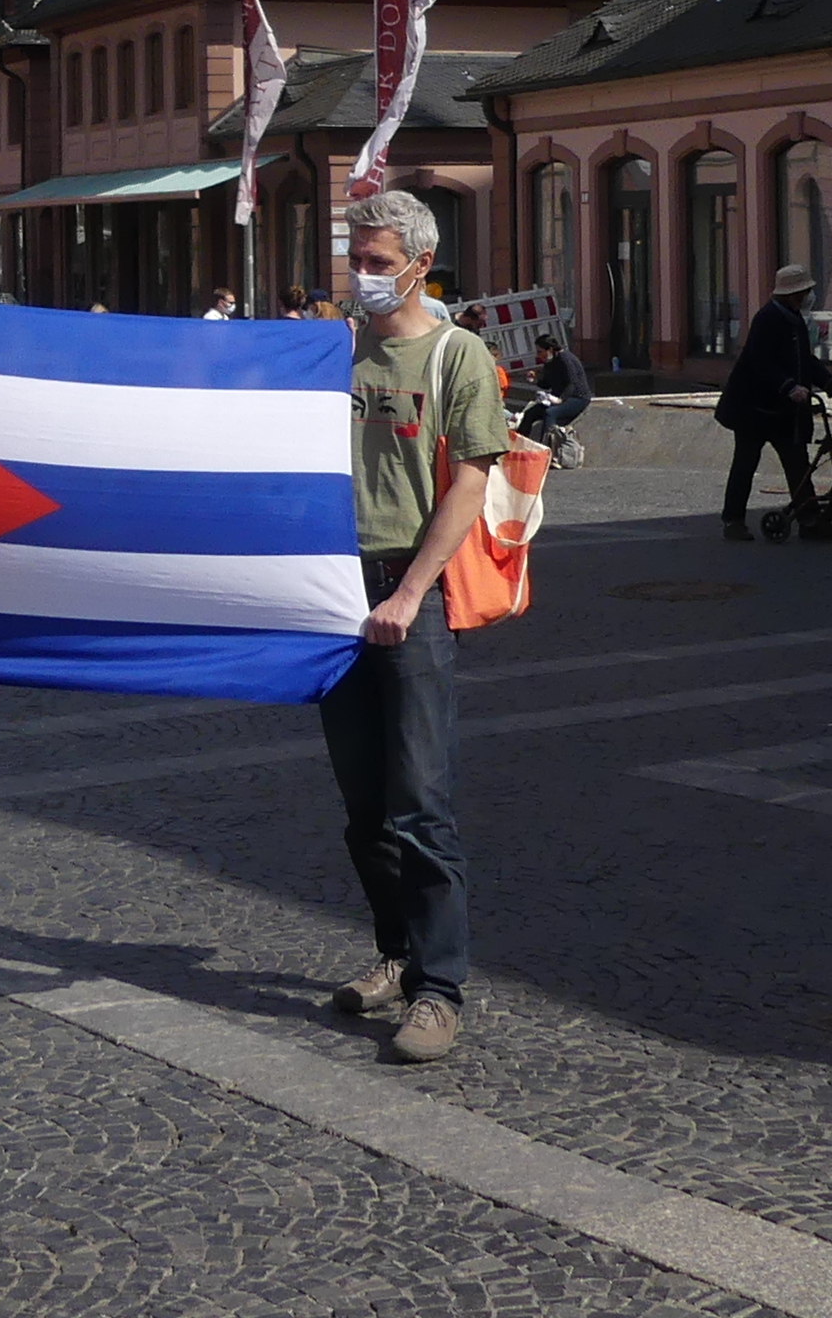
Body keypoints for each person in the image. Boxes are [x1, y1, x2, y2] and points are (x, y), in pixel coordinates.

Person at [320, 189, 504, 1065]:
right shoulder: (333, 351)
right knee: (363, 806)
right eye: (356, 259)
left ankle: (439, 989)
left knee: (420, 803)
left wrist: (406, 596)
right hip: (330, 595)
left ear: (421, 264)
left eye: (379, 262)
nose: (363, 276)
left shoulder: (457, 356)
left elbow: (469, 484)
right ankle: (394, 954)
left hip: (409, 594)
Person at [714, 263, 832, 540]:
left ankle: (809, 518)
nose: (808, 296)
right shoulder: (767, 318)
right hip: (754, 409)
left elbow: (806, 361)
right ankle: (733, 521)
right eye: (806, 291)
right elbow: (759, 361)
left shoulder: (795, 319)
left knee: (798, 464)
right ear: (793, 294)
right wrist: (788, 386)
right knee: (745, 464)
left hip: (784, 412)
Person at [516, 338, 592, 451]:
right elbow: (547, 384)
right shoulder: (549, 363)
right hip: (556, 398)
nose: (538, 355)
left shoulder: (565, 359)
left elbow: (572, 383)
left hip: (577, 398)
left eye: (540, 351)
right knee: (530, 413)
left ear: (550, 349)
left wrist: (561, 399)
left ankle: (547, 449)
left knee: (550, 413)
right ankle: (519, 447)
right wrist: (535, 380)